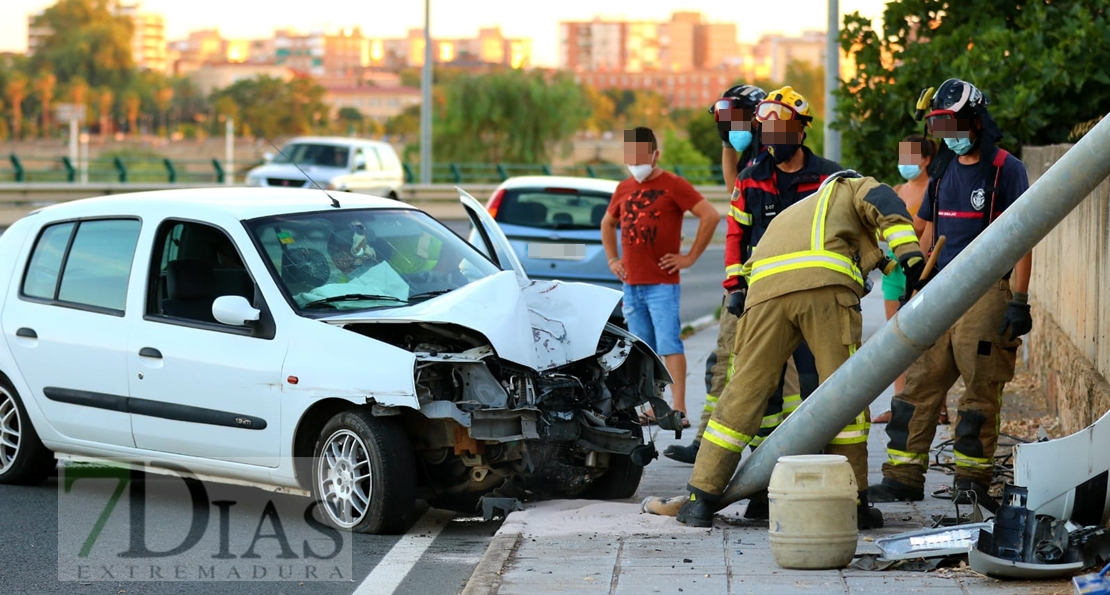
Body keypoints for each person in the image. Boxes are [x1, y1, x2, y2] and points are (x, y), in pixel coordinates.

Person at [673, 171, 926, 529]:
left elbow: (867, 256)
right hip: (823, 289)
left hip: (763, 295)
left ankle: (700, 497)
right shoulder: (852, 186)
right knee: (844, 391)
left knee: (745, 389)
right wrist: (912, 257)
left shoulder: (795, 214)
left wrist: (891, 265)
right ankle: (851, 502)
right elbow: (885, 206)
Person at [869, 78, 1032, 510]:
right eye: (941, 128)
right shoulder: (941, 171)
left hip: (985, 292)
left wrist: (1019, 300)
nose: (950, 137)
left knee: (979, 392)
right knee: (918, 385)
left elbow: (1024, 239)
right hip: (940, 289)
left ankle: (971, 483)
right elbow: (927, 232)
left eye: (955, 126)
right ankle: (902, 475)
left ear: (976, 121)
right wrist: (912, 284)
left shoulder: (1005, 169)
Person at [664, 83, 769, 464]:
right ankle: (707, 443)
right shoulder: (751, 157)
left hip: (769, 280)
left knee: (778, 370)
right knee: (723, 361)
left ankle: (774, 446)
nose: (729, 128)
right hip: (744, 280)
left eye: (733, 122)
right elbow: (733, 191)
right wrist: (729, 145)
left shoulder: (771, 161)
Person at [602, 126, 721, 422]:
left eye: (642, 155)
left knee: (669, 344)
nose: (636, 161)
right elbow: (607, 223)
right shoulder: (624, 188)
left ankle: (678, 408)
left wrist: (689, 257)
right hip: (632, 285)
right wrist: (612, 259)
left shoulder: (674, 185)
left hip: (662, 285)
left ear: (656, 155)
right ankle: (652, 407)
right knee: (643, 351)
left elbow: (710, 215)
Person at [872, 135, 949, 424]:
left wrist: (895, 229)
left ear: (927, 159)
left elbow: (916, 228)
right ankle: (900, 405)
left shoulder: (934, 189)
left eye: (911, 156)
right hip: (895, 272)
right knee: (897, 339)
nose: (905, 162)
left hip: (923, 269)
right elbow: (882, 229)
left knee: (930, 340)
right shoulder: (896, 190)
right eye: (902, 155)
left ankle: (938, 408)